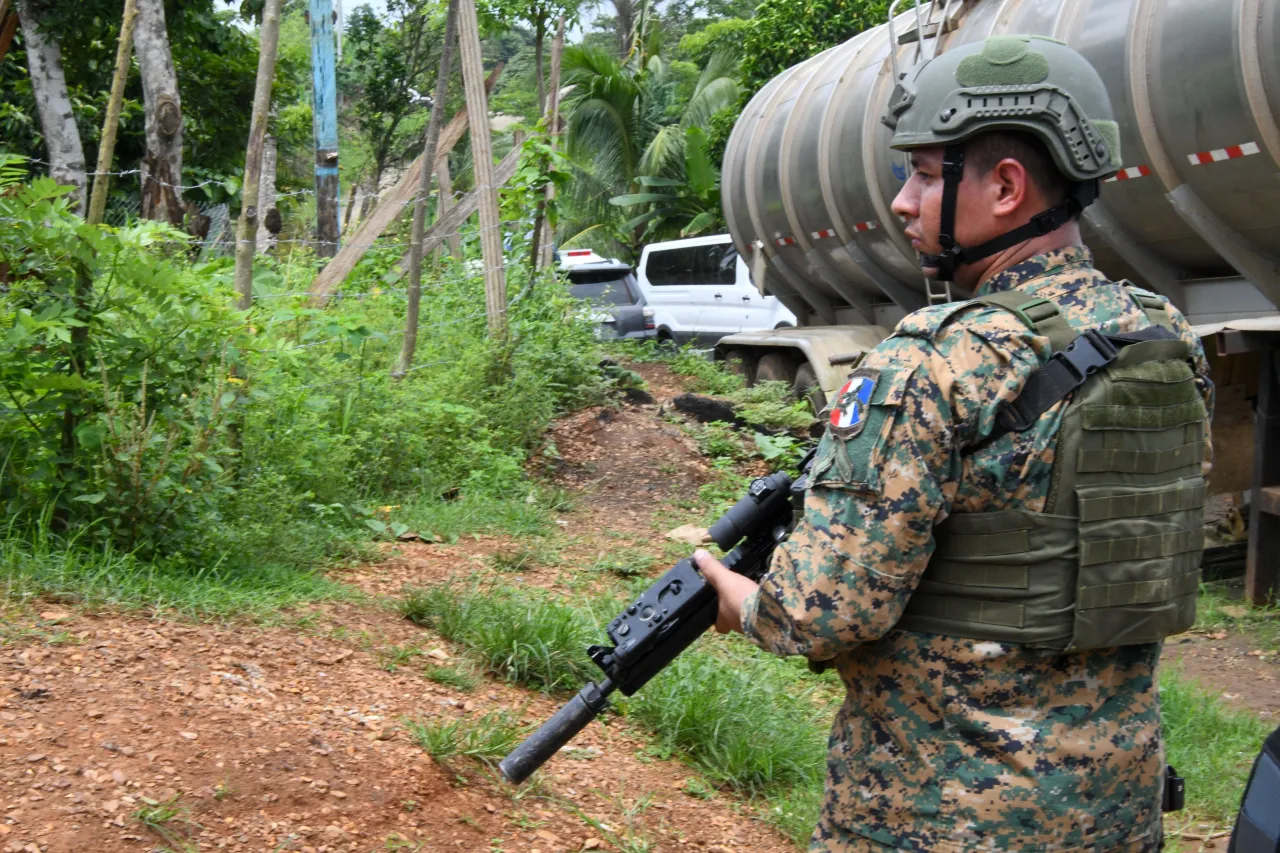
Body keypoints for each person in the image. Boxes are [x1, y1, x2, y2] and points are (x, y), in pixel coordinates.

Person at [695, 34, 1215, 853]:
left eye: (928, 174)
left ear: (1007, 186)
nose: (902, 201)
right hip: (1117, 810)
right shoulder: (1163, 336)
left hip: (941, 819)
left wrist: (738, 598)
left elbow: (821, 614)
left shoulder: (933, 360)